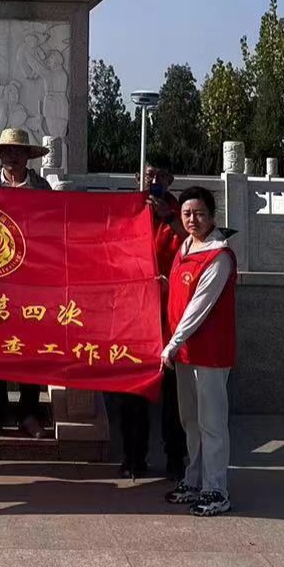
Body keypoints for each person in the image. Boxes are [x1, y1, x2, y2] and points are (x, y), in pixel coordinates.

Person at [105, 156, 189, 479]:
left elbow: (193, 246)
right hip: (132, 313)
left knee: (174, 394)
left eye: (160, 175)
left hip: (170, 315)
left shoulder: (182, 213)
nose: (153, 180)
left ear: (169, 180)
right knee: (132, 389)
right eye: (148, 174)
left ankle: (175, 457)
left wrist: (170, 218)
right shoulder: (127, 210)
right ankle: (133, 455)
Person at [161, 186, 237, 517]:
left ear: (212, 216)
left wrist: (173, 342)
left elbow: (199, 306)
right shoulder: (185, 247)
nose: (193, 220)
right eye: (187, 214)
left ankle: (216, 489)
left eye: (200, 214)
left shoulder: (218, 255)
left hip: (209, 352)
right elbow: (180, 291)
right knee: (190, 420)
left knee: (212, 422)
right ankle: (193, 480)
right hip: (185, 352)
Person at [0, 128, 50, 439]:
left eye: (18, 151)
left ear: (28, 156)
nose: (12, 156)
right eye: (7, 151)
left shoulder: (42, 189)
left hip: (31, 281)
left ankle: (28, 413)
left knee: (30, 348)